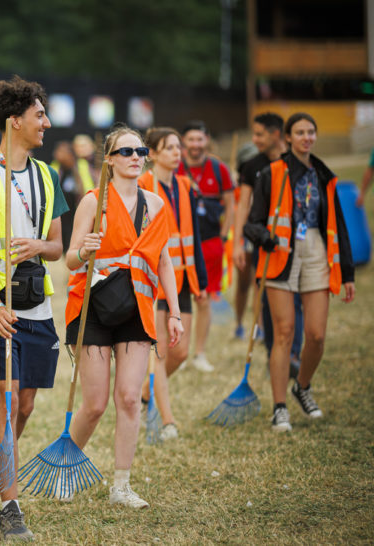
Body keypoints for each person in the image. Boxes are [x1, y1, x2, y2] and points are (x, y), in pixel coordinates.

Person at [0, 76, 67, 542]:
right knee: (5, 402)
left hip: (36, 305)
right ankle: (11, 505)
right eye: (39, 115)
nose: (47, 123)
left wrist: (39, 245)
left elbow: (59, 248)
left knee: (24, 404)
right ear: (14, 120)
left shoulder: (48, 175)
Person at [66, 125, 183, 509]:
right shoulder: (92, 202)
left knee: (130, 398)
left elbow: (163, 260)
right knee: (96, 404)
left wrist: (175, 313)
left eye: (140, 150)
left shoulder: (156, 204)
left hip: (137, 308)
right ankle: (67, 465)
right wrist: (85, 250)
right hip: (93, 308)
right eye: (126, 151)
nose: (136, 156)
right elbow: (69, 259)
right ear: (109, 160)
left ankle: (121, 486)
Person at [244, 112, 355, 432]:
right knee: (284, 332)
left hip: (317, 253)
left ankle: (301, 386)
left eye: (311, 132)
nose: (306, 137)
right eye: (300, 132)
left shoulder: (324, 175)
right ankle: (280, 407)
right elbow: (251, 223)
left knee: (317, 335)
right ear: (288, 138)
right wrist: (264, 237)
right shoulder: (271, 173)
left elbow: (339, 225)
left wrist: (347, 272)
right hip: (280, 255)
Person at [137, 128, 208, 441]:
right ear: (152, 154)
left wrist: (201, 280)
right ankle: (168, 422)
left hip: (183, 280)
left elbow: (195, 235)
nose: (177, 153)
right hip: (155, 282)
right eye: (169, 148)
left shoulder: (184, 185)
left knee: (180, 354)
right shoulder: (141, 186)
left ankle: (140, 394)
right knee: (162, 353)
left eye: (178, 147)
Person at [235, 114, 304, 376]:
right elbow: (243, 204)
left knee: (295, 300)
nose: (255, 140)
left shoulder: (298, 161)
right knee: (266, 297)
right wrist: (238, 244)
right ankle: (273, 350)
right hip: (263, 244)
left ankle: (293, 353)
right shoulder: (252, 165)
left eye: (259, 134)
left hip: (296, 243)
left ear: (276, 134)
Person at [177, 121, 235, 372]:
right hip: (180, 246)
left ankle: (199, 353)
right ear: (183, 142)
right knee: (178, 301)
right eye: (191, 140)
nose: (196, 145)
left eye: (200, 140)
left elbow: (231, 204)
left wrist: (223, 237)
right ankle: (178, 353)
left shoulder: (218, 168)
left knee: (204, 299)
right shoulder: (175, 167)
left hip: (211, 243)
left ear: (207, 141)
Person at [51, 140, 81, 251]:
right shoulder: (54, 167)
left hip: (75, 216)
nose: (57, 154)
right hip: (58, 217)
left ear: (70, 154)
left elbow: (85, 188)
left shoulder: (81, 167)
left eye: (62, 152)